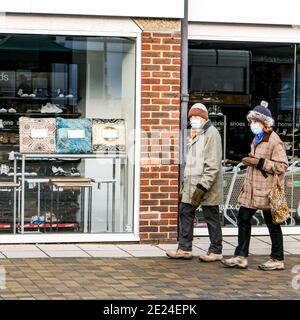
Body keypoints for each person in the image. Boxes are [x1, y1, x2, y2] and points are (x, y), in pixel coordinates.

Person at [222, 100, 288, 270]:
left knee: (273, 224)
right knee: (243, 219)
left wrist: (259, 163)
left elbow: (282, 166)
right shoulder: (257, 138)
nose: (252, 124)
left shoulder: (274, 141)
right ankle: (240, 256)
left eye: (255, 122)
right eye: (251, 121)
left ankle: (277, 259)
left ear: (264, 123)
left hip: (267, 191)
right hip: (252, 190)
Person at [166, 103, 223, 261]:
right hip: (191, 185)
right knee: (185, 212)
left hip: (205, 186)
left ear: (205, 118)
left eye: (197, 116)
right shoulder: (196, 133)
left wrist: (202, 187)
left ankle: (216, 250)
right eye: (191, 117)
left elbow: (213, 165)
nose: (193, 119)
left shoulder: (212, 134)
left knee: (211, 217)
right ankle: (184, 248)